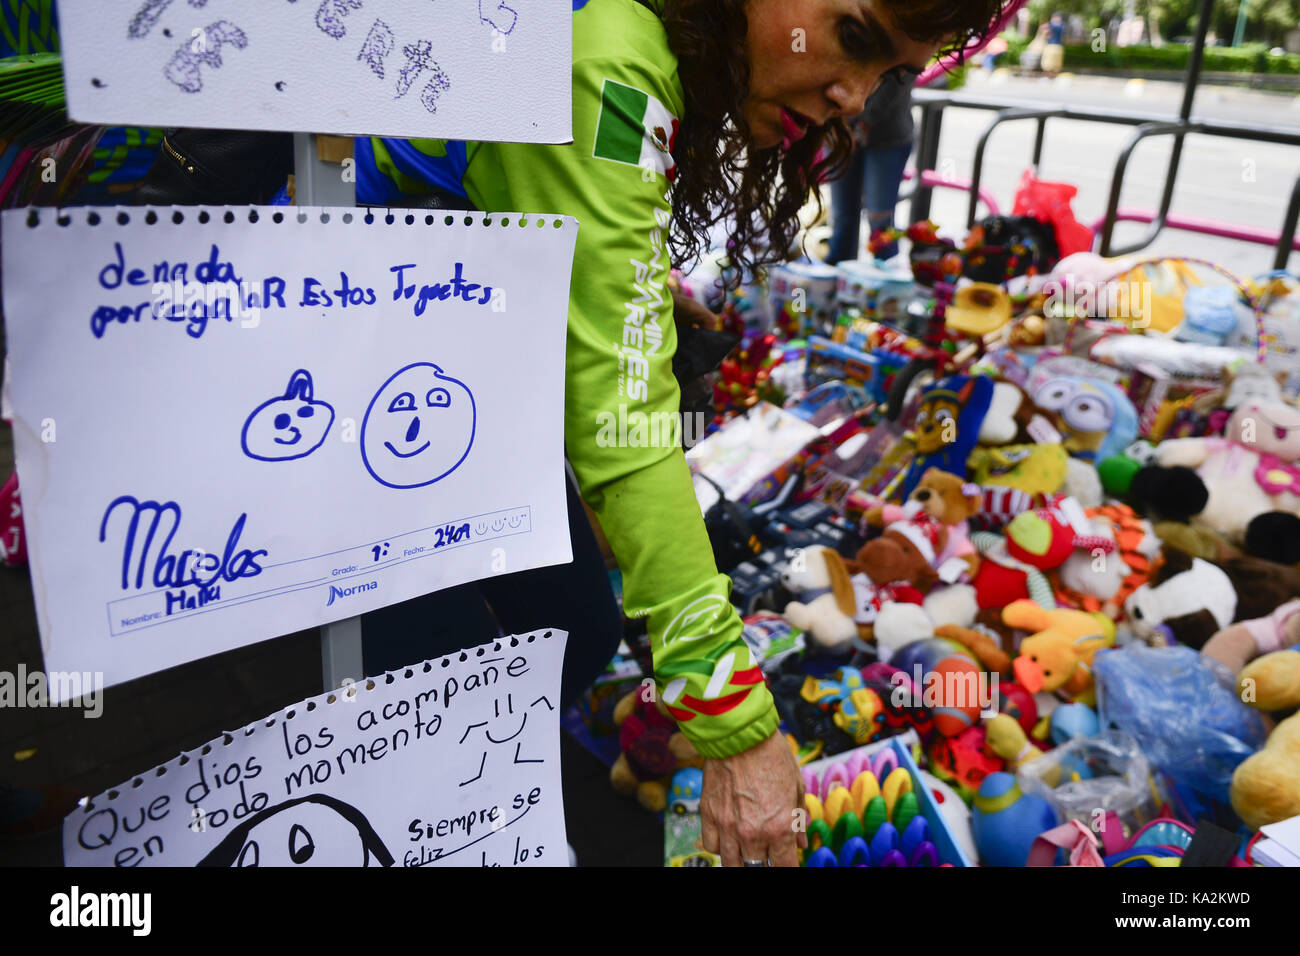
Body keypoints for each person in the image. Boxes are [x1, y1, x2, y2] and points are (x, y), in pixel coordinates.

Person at [357, 0, 1002, 867]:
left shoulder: (639, 49)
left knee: (572, 628)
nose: (854, 96)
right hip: (349, 423)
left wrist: (629, 292)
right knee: (437, 689)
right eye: (853, 36)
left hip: (428, 391)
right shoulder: (611, 61)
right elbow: (623, 421)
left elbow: (562, 225)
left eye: (889, 76)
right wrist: (733, 722)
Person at [826, 71, 916, 264]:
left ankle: (886, 282)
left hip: (887, 135)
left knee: (879, 220)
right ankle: (836, 280)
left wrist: (863, 122)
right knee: (842, 218)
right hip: (839, 130)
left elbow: (902, 76)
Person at [1042, 10, 1066, 76]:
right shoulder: (1061, 25)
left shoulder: (1052, 24)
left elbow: (1044, 31)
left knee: (1051, 63)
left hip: (1054, 45)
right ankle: (1050, 75)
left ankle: (1051, 75)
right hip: (1054, 45)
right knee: (1051, 63)